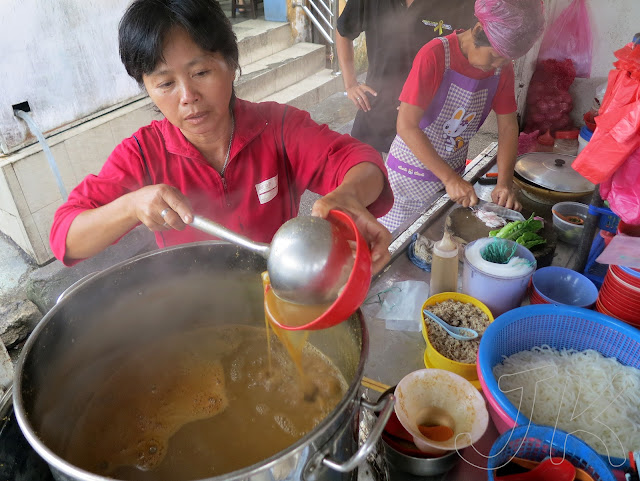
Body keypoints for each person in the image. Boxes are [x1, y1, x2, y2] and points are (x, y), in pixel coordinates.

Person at [50, 0, 394, 272]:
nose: (187, 96)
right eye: (166, 83)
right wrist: (131, 205)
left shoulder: (277, 127)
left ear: (231, 64)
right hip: (195, 313)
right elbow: (66, 237)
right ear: (148, 89)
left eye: (201, 72)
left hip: (278, 286)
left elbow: (361, 162)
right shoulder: (142, 154)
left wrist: (348, 195)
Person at [378, 0, 545, 232]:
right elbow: (406, 125)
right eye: (494, 56)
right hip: (409, 177)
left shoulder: (501, 68)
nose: (497, 65)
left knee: (438, 242)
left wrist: (504, 183)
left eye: (506, 60)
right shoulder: (435, 55)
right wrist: (449, 179)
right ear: (478, 31)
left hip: (455, 175)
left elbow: (508, 127)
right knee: (394, 245)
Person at [336, 0, 476, 153]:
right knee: (366, 168)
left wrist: (441, 100)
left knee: (425, 171)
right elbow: (344, 31)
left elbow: (472, 53)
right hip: (375, 110)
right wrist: (350, 84)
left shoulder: (461, 3)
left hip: (428, 119)